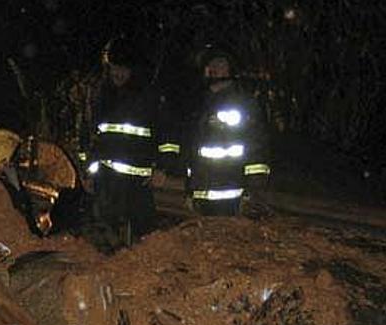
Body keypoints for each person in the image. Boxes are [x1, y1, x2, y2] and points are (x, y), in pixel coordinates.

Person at [85, 36, 175, 247]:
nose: (117, 73)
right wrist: (89, 172)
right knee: (105, 238)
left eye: (123, 68)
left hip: (138, 183)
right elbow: (94, 139)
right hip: (107, 181)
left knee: (142, 240)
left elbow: (167, 136)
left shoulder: (149, 97)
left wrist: (163, 168)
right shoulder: (103, 96)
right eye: (114, 67)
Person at [184, 46, 271, 215]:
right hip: (202, 197)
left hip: (233, 198)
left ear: (230, 67)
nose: (214, 68)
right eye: (211, 64)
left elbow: (257, 148)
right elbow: (194, 152)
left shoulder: (243, 102)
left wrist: (253, 192)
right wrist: (190, 191)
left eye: (220, 63)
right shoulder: (201, 103)